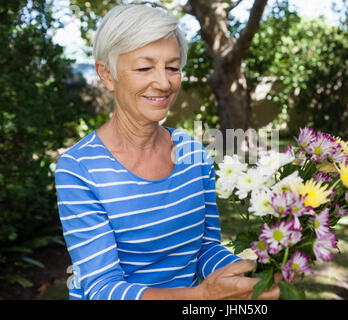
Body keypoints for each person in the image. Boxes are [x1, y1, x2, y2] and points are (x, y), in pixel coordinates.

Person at [55, 4, 280, 300]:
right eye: (144, 67)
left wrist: (249, 275)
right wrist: (200, 297)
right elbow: (101, 288)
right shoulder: (78, 168)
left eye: (172, 67)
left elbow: (203, 248)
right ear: (107, 74)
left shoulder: (192, 153)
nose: (163, 83)